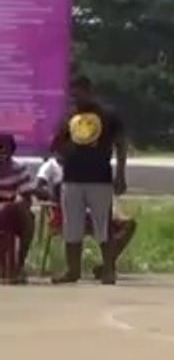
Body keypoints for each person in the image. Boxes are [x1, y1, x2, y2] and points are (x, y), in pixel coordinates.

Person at [50, 76, 127, 285]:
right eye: (73, 94)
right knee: (72, 226)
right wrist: (63, 148)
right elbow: (56, 143)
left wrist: (121, 173)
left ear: (90, 91)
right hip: (72, 179)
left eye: (80, 92)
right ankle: (72, 270)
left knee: (103, 226)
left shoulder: (108, 115)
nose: (76, 97)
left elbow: (121, 144)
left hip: (99, 179)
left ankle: (109, 270)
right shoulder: (70, 116)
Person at [36, 154, 138, 281]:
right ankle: (76, 269)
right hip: (66, 212)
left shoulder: (85, 165)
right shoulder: (50, 166)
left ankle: (107, 265)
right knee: (82, 221)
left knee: (128, 224)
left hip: (91, 212)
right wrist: (55, 197)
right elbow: (38, 187)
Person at [0, 133, 36, 284]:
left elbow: (26, 196)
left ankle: (19, 265)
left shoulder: (20, 169)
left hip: (14, 212)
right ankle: (8, 267)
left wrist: (15, 203)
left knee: (26, 216)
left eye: (4, 150)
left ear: (11, 151)